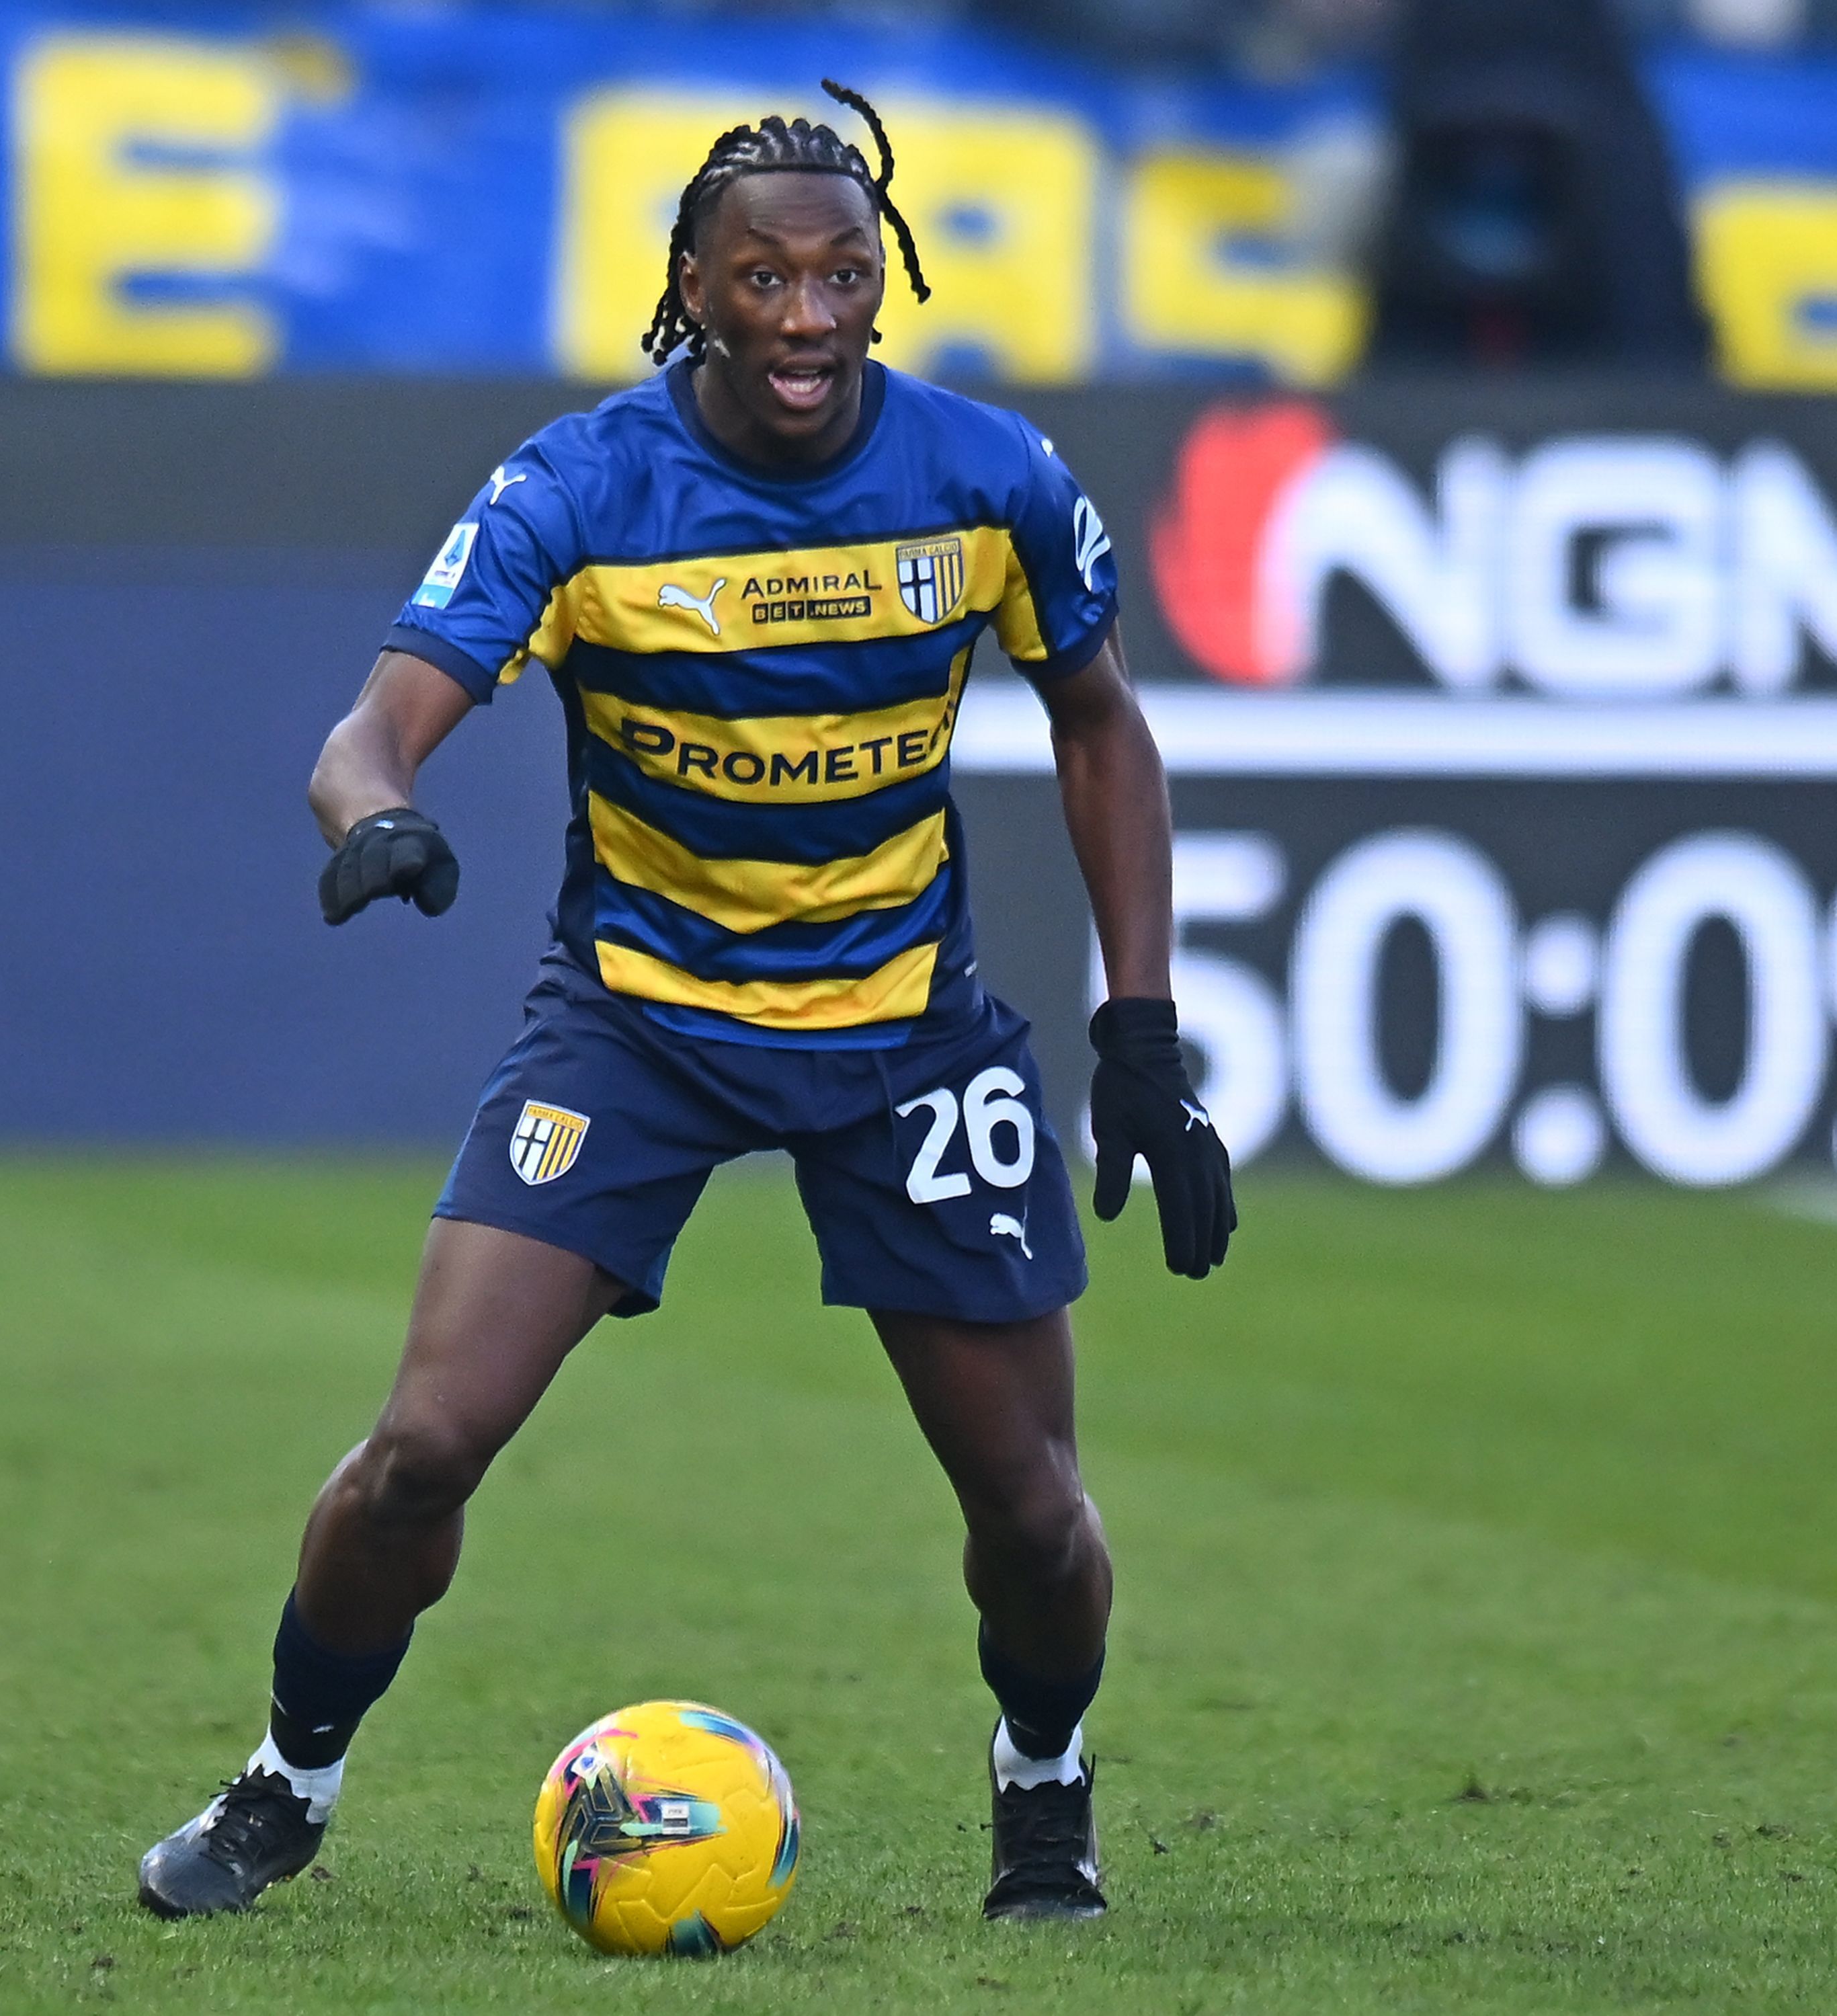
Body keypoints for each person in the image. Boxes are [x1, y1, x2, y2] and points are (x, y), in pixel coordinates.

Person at [135, 81, 1235, 1929]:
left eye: (837, 277)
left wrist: (1141, 1031)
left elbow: (1097, 721)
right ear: (692, 292)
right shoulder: (579, 491)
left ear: (881, 284)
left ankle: (1041, 1790)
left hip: (904, 1038)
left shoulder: (990, 484)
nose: (805, 317)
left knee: (1032, 1513)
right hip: (635, 1022)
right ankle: (285, 1783)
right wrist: (379, 821)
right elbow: (370, 726)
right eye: (762, 279)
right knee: (420, 1450)